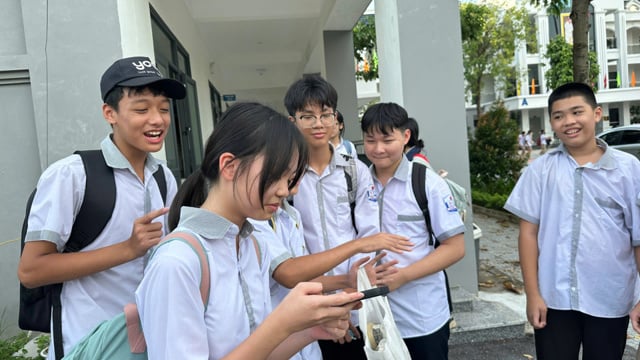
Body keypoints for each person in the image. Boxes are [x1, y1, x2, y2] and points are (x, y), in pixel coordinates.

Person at [136, 102, 364, 359]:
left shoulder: (253, 245)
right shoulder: (177, 262)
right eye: (276, 175)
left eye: (289, 179)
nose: (284, 190)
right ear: (230, 166)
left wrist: (310, 330)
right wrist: (283, 323)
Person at [17, 56, 186, 359]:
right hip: (89, 345)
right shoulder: (71, 175)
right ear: (110, 113)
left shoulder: (163, 176)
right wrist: (127, 249)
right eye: (141, 109)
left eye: (163, 108)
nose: (158, 119)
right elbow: (31, 270)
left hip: (152, 339)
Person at [504, 82, 640, 360]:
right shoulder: (540, 170)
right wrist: (533, 294)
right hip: (554, 300)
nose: (569, 122)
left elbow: (638, 238)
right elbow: (528, 234)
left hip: (609, 298)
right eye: (558, 116)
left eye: (577, 112)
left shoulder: (629, 170)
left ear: (597, 113)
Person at [284, 74, 385, 359]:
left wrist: (346, 307)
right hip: (304, 305)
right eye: (308, 116)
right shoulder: (283, 176)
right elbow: (288, 249)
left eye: (325, 115)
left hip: (352, 303)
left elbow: (367, 238)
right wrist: (323, 307)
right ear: (293, 122)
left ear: (335, 118)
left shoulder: (355, 171)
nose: (318, 124)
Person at [250, 179, 404, 360]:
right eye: (289, 177)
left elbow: (304, 278)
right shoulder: (254, 221)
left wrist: (346, 283)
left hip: (305, 340)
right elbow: (289, 273)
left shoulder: (290, 215)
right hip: (282, 339)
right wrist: (357, 246)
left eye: (297, 177)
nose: (291, 189)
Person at [361, 102, 466, 359]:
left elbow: (455, 247)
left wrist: (404, 276)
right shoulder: (359, 182)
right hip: (373, 317)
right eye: (370, 140)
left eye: (387, 139)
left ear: (406, 136)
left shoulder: (427, 182)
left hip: (422, 318)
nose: (378, 149)